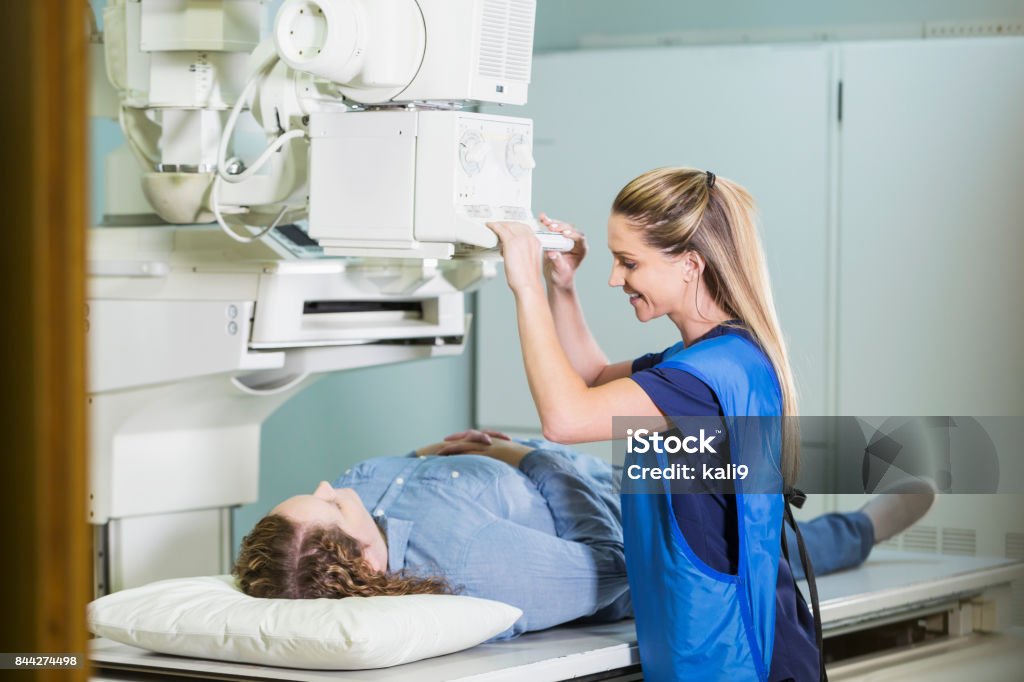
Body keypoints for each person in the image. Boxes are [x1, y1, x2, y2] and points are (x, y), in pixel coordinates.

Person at [481, 167, 822, 680]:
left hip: (741, 655)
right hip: (725, 639)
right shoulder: (710, 358)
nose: (616, 278)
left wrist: (525, 286)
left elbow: (565, 418)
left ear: (690, 264)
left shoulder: (703, 380)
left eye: (629, 262)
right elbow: (591, 378)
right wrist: (562, 286)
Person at [233, 430, 935, 643]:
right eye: (329, 506)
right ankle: (864, 527)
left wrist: (442, 459)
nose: (330, 488)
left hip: (559, 462)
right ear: (362, 558)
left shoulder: (361, 522)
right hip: (621, 493)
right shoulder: (476, 561)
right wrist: (524, 459)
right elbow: (618, 565)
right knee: (769, 544)